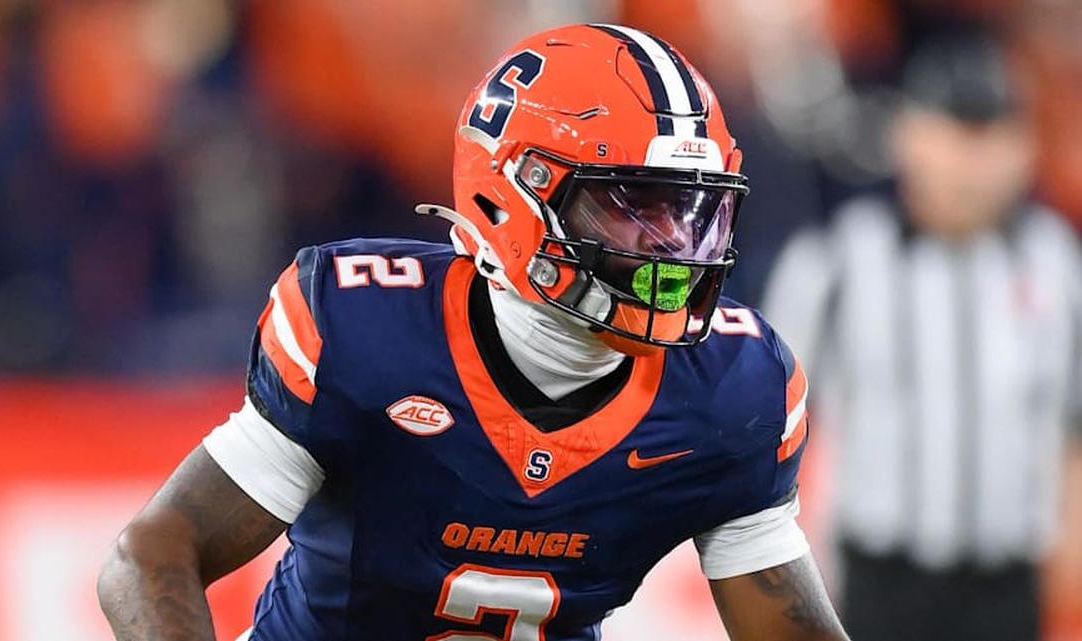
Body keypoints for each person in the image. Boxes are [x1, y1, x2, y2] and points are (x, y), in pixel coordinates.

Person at [98, 24, 850, 641]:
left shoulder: (731, 390)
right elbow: (151, 554)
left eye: (692, 211)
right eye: (633, 206)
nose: (670, 248)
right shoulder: (367, 332)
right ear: (507, 197)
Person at [763, 31, 1082, 641]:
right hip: (880, 577)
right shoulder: (838, 259)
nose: (973, 160)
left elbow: (1072, 420)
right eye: (956, 134)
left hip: (1010, 582)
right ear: (908, 135)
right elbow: (778, 425)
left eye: (993, 136)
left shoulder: (1054, 261)